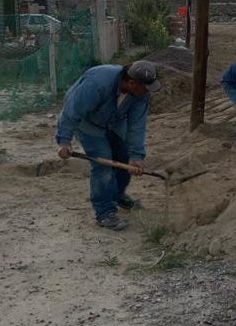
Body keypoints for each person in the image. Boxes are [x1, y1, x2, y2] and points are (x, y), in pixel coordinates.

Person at [55, 60, 162, 231]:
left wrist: (136, 156)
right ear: (131, 82)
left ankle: (117, 195)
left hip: (114, 121)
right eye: (145, 88)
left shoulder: (141, 95)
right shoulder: (98, 83)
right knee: (103, 164)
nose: (147, 92)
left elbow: (137, 125)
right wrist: (64, 141)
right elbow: (72, 111)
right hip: (88, 123)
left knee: (124, 159)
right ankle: (105, 212)